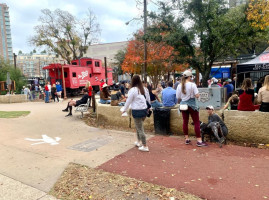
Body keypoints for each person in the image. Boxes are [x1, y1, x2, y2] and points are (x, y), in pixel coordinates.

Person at [176, 70, 207, 147]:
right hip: (192, 105)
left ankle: (186, 139)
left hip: (183, 105)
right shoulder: (192, 85)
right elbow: (197, 95)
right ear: (189, 77)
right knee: (196, 122)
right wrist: (198, 95)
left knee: (185, 122)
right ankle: (199, 140)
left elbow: (178, 97)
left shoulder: (179, 85)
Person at [121, 75, 151, 152]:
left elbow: (128, 101)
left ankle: (145, 145)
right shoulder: (144, 89)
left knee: (140, 128)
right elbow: (148, 99)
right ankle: (138, 142)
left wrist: (124, 109)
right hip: (144, 110)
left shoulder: (132, 90)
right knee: (139, 127)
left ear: (132, 81)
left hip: (137, 111)